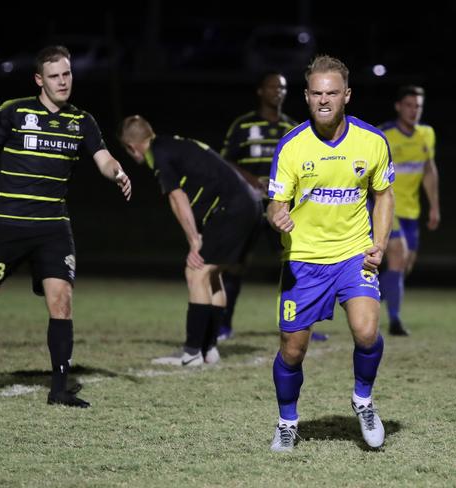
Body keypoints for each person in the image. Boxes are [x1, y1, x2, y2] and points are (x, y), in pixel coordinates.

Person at [0, 45, 131, 408]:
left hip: (53, 228)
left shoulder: (81, 121)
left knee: (61, 301)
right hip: (6, 228)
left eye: (67, 74)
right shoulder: (14, 111)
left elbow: (103, 159)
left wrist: (118, 173)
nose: (63, 82)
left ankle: (59, 389)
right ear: (39, 79)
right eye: (54, 76)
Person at [266, 55, 395, 451]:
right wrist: (277, 218)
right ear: (306, 96)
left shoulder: (372, 141)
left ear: (347, 96)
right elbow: (274, 204)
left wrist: (381, 243)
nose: (324, 100)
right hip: (303, 259)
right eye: (317, 93)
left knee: (367, 331)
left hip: (354, 254)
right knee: (292, 350)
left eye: (332, 93)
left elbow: (384, 195)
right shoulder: (291, 146)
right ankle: (288, 422)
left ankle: (363, 399)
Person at [119, 115, 262, 366]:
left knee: (196, 271)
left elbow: (178, 198)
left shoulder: (158, 154)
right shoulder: (172, 144)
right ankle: (209, 349)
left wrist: (194, 239)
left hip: (232, 208)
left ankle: (192, 352)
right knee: (212, 273)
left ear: (131, 146)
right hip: (248, 204)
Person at [220, 72, 327, 342]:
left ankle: (301, 324)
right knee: (236, 264)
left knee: (295, 263)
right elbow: (224, 162)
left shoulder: (293, 129)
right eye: (271, 87)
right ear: (260, 91)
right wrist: (252, 180)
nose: (277, 92)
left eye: (281, 88)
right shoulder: (243, 126)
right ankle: (223, 325)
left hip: (281, 208)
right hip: (247, 205)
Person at [378, 86, 440, 336]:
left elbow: (428, 170)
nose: (414, 111)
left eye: (418, 106)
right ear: (397, 106)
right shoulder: (383, 135)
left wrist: (434, 206)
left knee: (403, 268)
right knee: (398, 257)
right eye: (409, 105)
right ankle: (395, 321)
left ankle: (358, 293)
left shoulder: (426, 134)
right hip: (387, 208)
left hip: (412, 212)